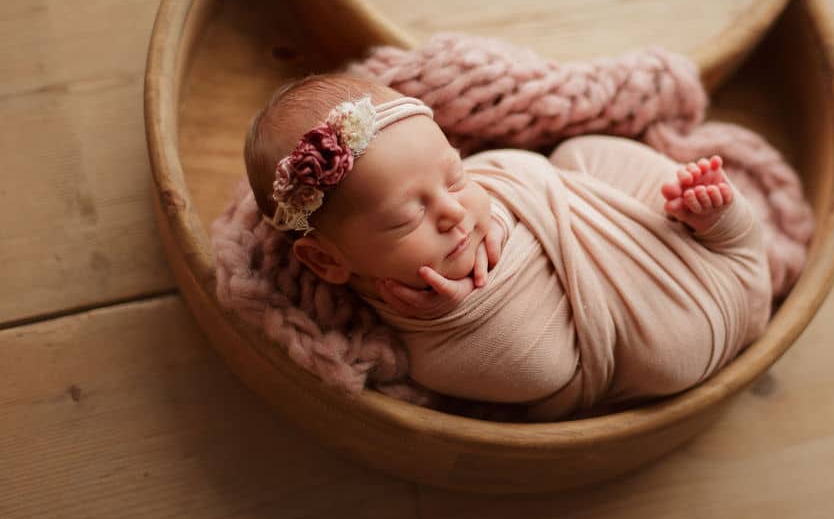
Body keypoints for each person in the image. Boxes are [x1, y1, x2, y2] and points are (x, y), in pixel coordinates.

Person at [245, 72, 771, 420]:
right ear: (326, 259)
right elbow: (543, 372)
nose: (453, 211)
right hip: (656, 335)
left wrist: (498, 205)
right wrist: (457, 318)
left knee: (580, 155)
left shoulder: (475, 190)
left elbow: (520, 172)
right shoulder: (419, 338)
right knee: (619, 356)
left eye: (453, 176)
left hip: (602, 217)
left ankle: (722, 224)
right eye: (409, 216)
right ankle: (730, 246)